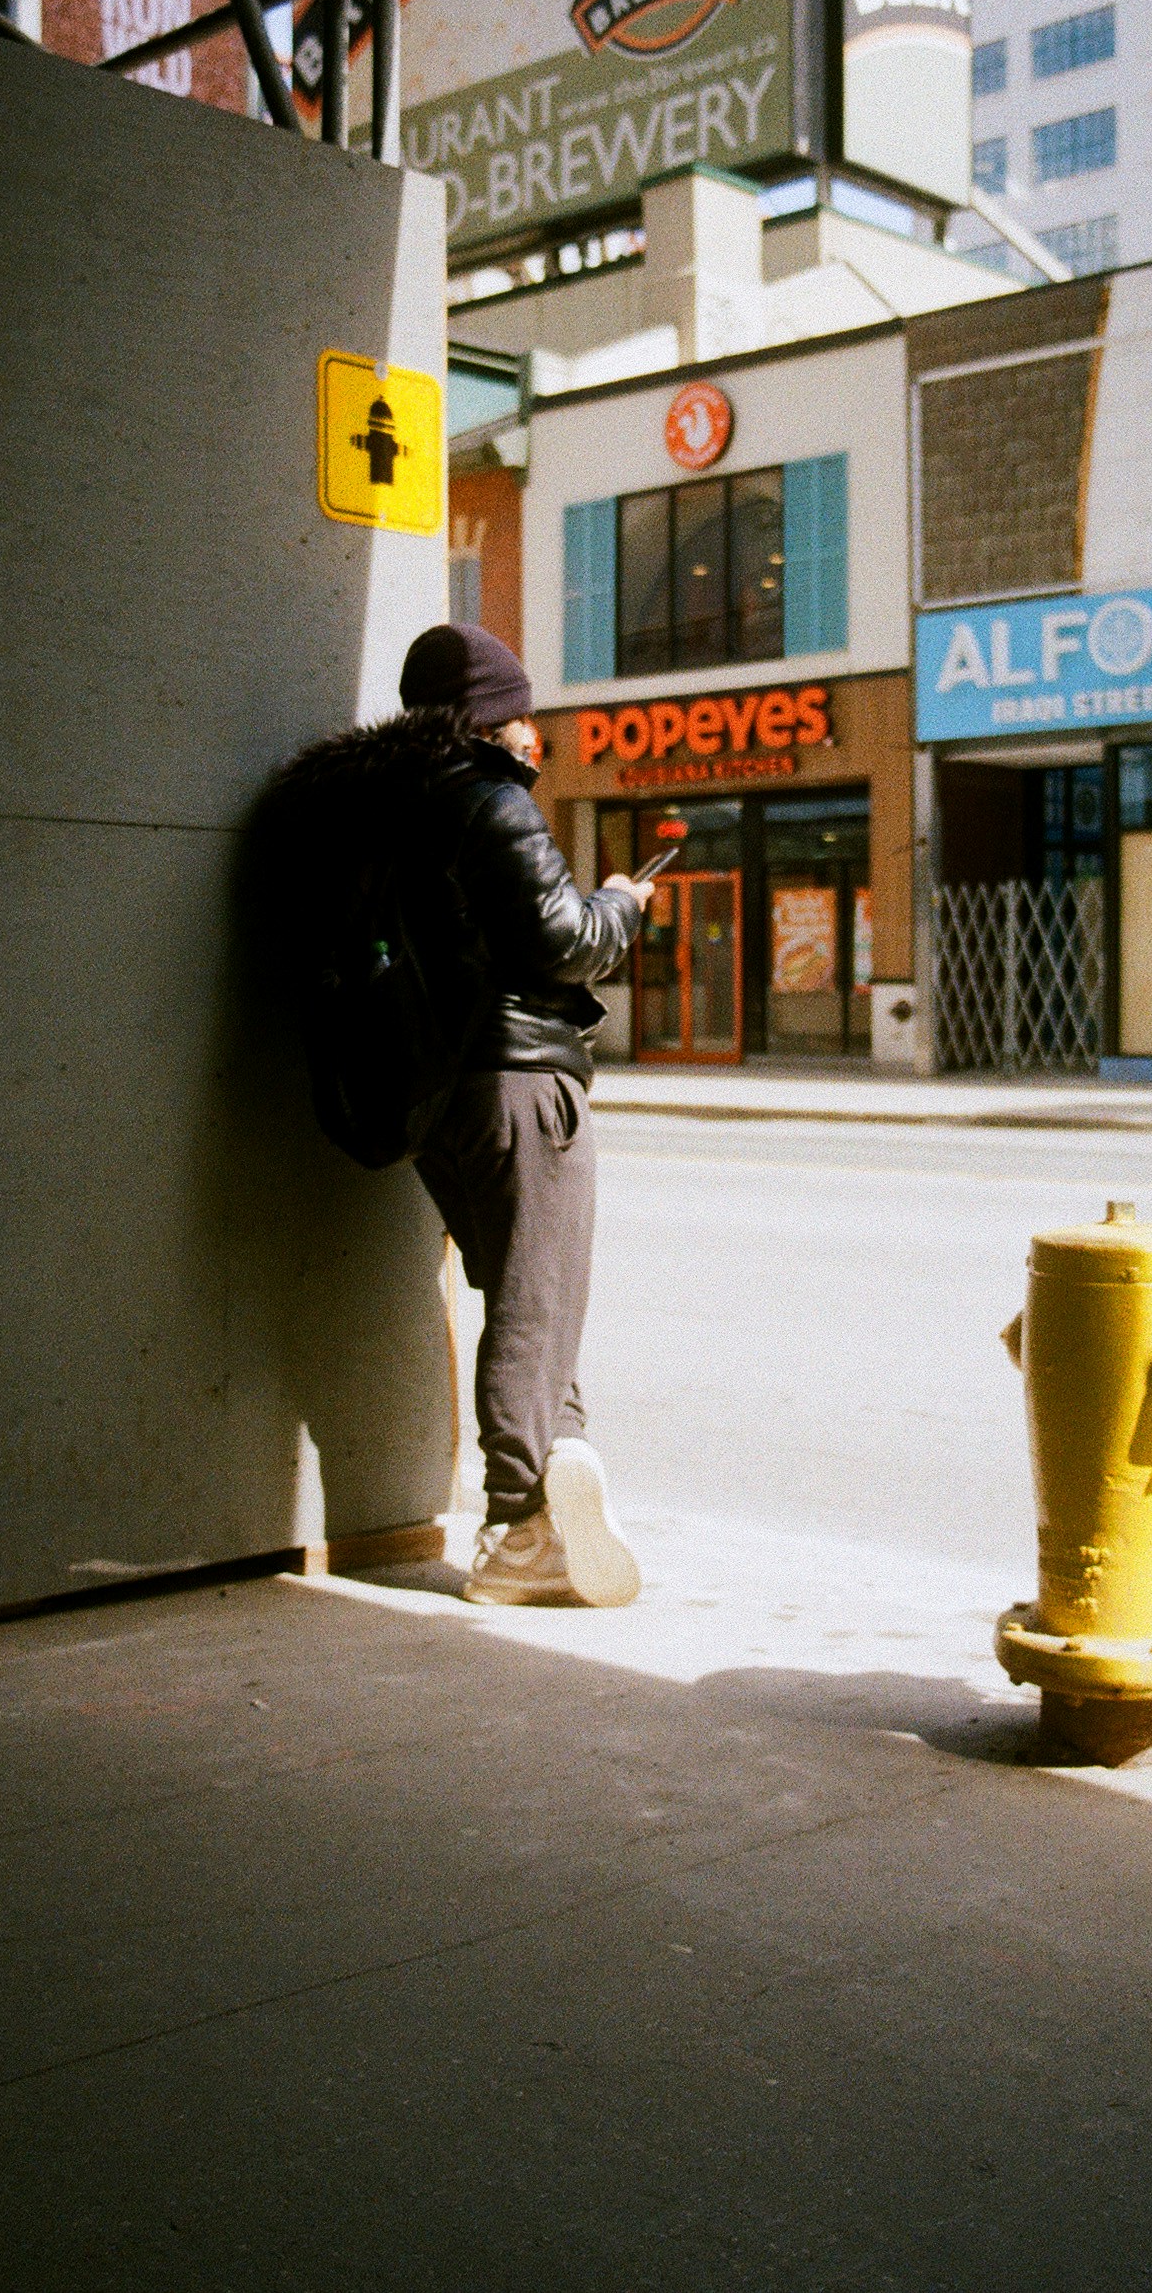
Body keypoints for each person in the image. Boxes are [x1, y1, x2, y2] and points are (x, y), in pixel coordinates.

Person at [395, 621, 656, 1609]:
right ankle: (515, 1526)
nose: (531, 734)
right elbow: (563, 940)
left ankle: (560, 1466)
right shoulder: (488, 799)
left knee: (521, 1290)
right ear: (491, 719)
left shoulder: (392, 811)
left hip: (434, 1091)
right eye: (521, 717)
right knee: (535, 1302)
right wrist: (621, 906)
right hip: (519, 1081)